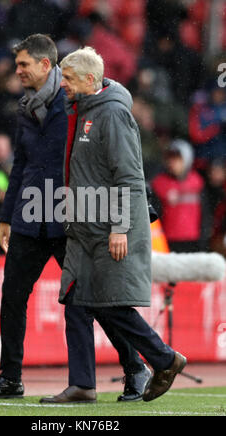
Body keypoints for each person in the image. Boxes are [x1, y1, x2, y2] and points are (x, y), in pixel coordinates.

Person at [41, 47, 187, 403]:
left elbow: (129, 176)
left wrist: (120, 227)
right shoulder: (81, 109)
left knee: (107, 303)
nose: (64, 87)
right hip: (82, 227)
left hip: (109, 228)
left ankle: (164, 359)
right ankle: (83, 385)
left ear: (91, 81)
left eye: (70, 80)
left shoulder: (113, 115)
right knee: (74, 298)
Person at [0, 34, 98, 401]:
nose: (18, 71)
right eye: (17, 64)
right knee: (12, 296)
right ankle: (10, 378)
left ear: (45, 65)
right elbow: (21, 163)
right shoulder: (26, 106)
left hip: (65, 216)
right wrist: (6, 216)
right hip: (29, 217)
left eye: (24, 64)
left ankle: (133, 367)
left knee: (85, 300)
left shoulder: (73, 100)